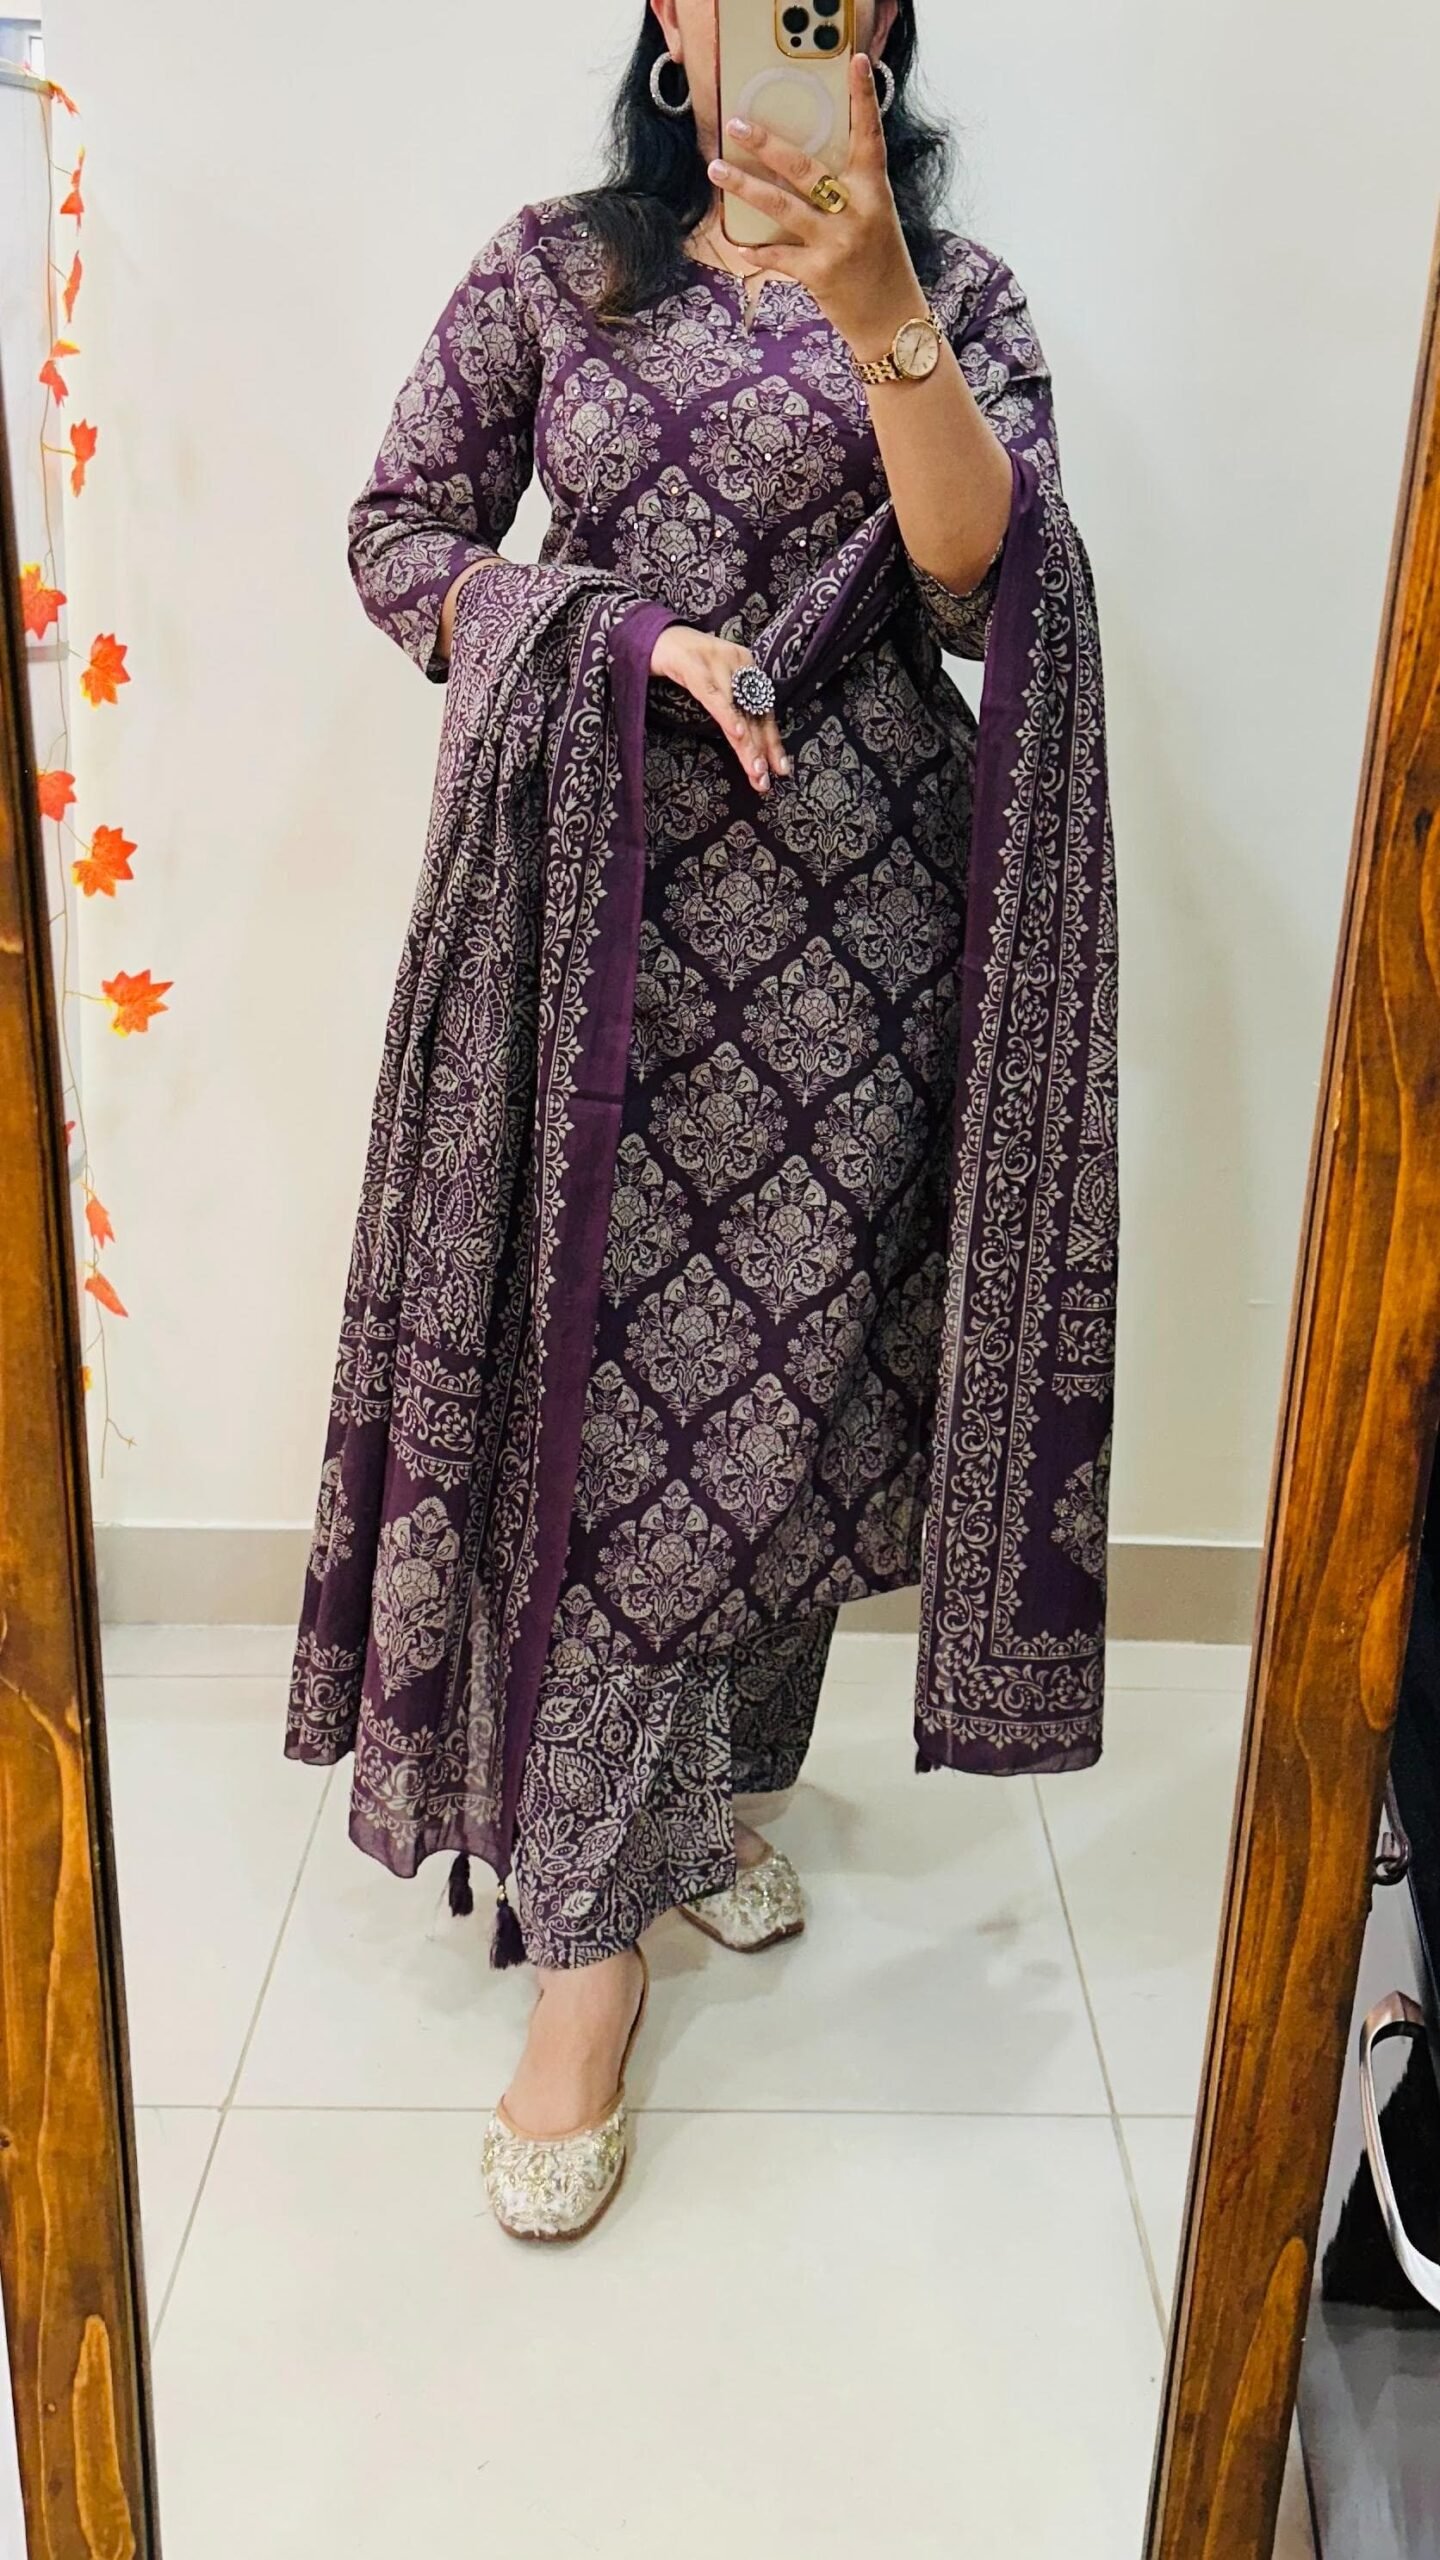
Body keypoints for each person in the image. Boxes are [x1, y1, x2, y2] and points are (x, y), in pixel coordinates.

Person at [288, 0, 1118, 2243]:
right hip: (589, 947)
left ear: (882, 22)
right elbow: (397, 535)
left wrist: (881, 313)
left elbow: (983, 588)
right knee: (607, 1457)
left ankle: (715, 1795)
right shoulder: (560, 269)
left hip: (862, 958)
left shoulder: (959, 295)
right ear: (669, 22)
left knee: (786, 1416)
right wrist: (623, 634)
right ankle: (587, 1958)